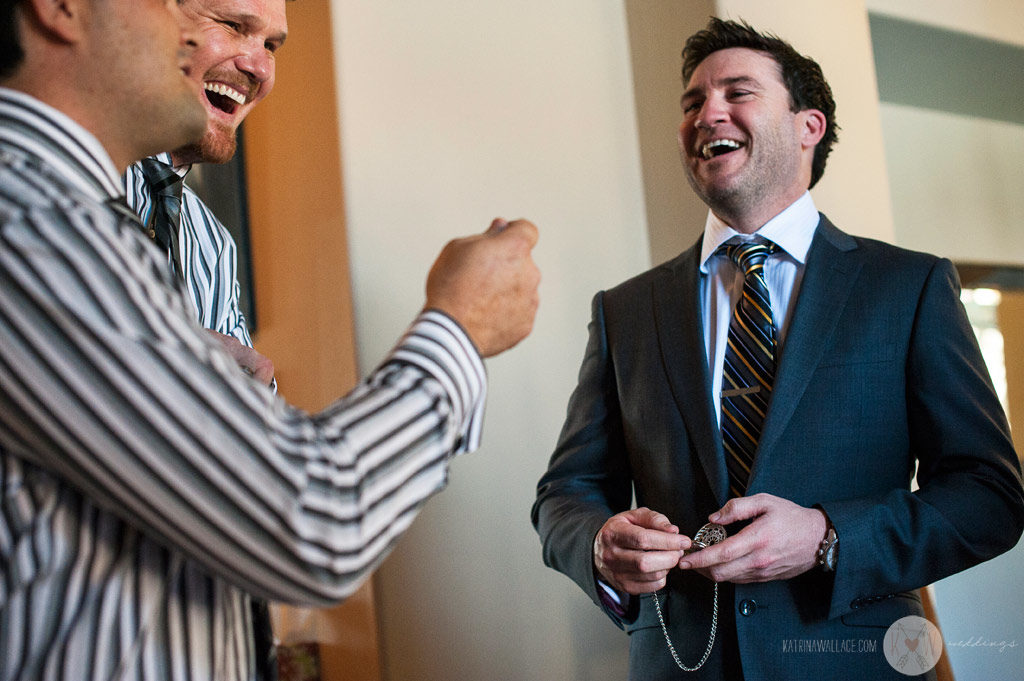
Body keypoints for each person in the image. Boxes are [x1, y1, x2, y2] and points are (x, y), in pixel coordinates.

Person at [0, 2, 539, 681]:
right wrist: (459, 328)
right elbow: (308, 516)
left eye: (271, 43)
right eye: (169, 6)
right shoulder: (33, 218)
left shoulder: (109, 226)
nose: (185, 32)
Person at [532, 17, 1023, 681]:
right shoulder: (624, 310)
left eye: (737, 93)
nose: (708, 112)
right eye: (692, 101)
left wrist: (828, 536)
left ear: (807, 127)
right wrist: (596, 543)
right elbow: (567, 491)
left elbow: (989, 495)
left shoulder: (909, 286)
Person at [123, 0, 287, 384]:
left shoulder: (215, 246)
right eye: (232, 25)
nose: (260, 68)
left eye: (271, 46)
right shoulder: (49, 178)